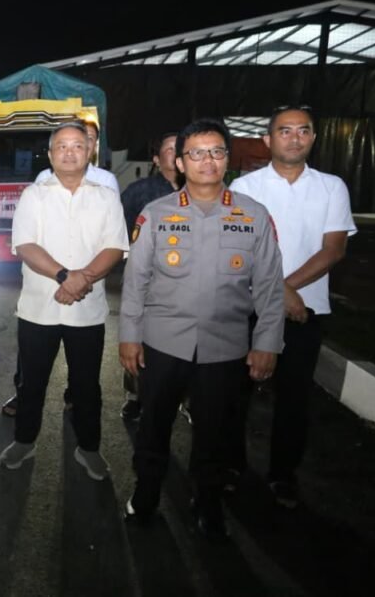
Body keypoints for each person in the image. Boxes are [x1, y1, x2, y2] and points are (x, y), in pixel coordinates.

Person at [119, 118, 284, 541]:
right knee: (153, 425)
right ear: (179, 162)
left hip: (225, 347)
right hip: (163, 343)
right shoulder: (156, 214)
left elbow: (269, 286)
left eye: (216, 152)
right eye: (196, 153)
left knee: (215, 432)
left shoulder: (253, 215)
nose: (207, 160)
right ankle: (146, 491)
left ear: (227, 159)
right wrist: (129, 336)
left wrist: (267, 343)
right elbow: (135, 282)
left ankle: (208, 502)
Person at [228, 105, 356, 508]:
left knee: (294, 399)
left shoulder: (332, 187)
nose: (294, 138)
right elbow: (237, 250)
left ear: (313, 138)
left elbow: (334, 249)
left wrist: (284, 289)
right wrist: (276, 293)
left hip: (305, 310)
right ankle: (231, 467)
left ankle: (283, 475)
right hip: (247, 308)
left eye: (303, 130)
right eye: (285, 131)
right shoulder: (246, 187)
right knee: (236, 394)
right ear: (268, 139)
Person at [0, 122, 128, 479]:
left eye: (77, 146)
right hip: (38, 309)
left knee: (87, 386)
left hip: (87, 312)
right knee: (31, 384)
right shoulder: (34, 195)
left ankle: (89, 448)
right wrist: (64, 276)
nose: (70, 153)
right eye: (62, 146)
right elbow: (25, 245)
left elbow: (115, 247)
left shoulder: (106, 197)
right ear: (51, 154)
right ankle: (24, 441)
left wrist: (81, 279)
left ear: (90, 152)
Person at [117, 132, 180, 420]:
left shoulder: (202, 189)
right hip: (147, 280)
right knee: (139, 339)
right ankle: (135, 396)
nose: (177, 152)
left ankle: (181, 397)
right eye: (170, 148)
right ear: (156, 158)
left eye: (182, 147)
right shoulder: (139, 191)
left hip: (186, 283)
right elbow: (119, 228)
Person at [33, 121, 120, 193]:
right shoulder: (44, 178)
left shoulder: (106, 180)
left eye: (89, 138)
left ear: (95, 147)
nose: (70, 152)